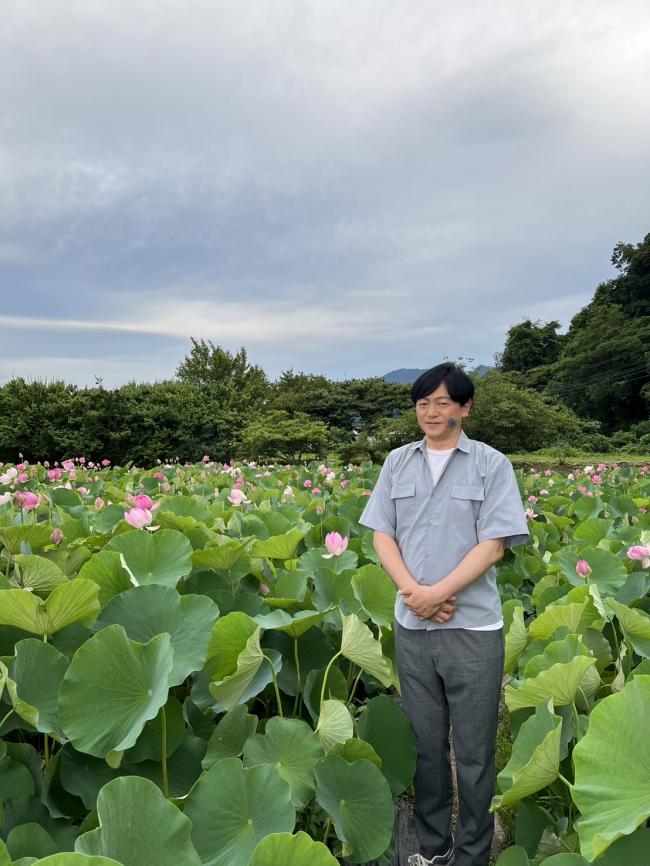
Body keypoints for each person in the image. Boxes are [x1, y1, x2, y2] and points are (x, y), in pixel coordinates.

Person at [359, 363, 529, 866]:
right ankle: (433, 850)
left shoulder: (491, 464)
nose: (431, 412)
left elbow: (493, 546)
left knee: (474, 754)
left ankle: (474, 853)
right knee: (426, 748)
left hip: (472, 627)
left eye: (442, 403)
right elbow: (381, 535)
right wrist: (415, 592)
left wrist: (440, 593)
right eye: (422, 403)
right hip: (413, 626)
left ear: (464, 407)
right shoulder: (396, 462)